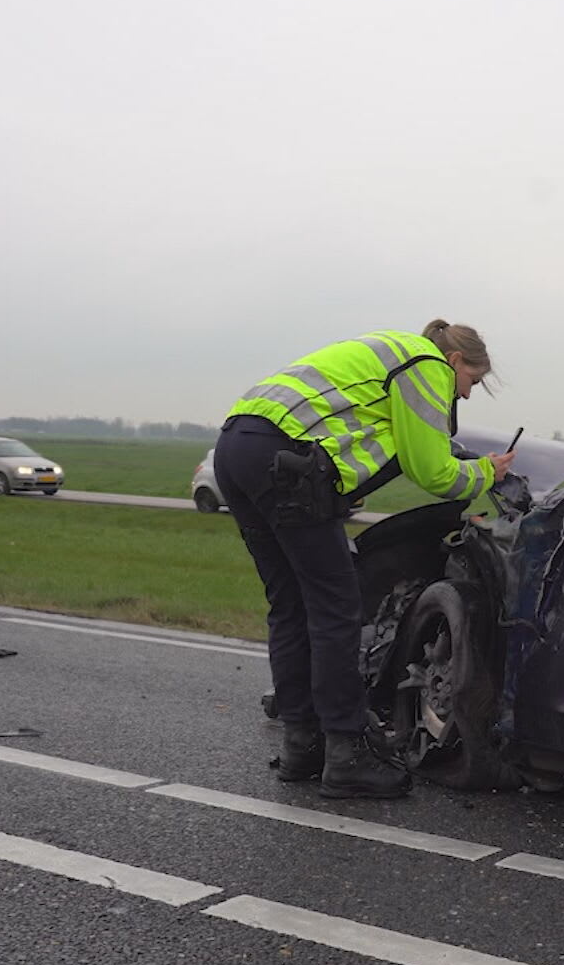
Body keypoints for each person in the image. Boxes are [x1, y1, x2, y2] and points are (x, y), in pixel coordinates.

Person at [217, 319, 514, 799]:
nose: (467, 394)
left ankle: (301, 745)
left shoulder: (389, 351)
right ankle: (346, 754)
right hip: (287, 461)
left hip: (237, 447)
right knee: (335, 607)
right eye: (472, 382)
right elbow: (432, 471)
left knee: (290, 603)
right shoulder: (427, 365)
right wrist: (485, 473)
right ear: (456, 360)